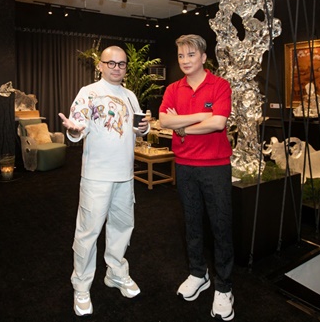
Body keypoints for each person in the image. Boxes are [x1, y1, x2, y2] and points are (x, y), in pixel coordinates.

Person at [58, 45, 149, 317]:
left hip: (125, 175)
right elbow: (77, 127)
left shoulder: (130, 96)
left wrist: (144, 128)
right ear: (100, 65)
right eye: (111, 63)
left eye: (121, 64)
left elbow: (137, 129)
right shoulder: (88, 93)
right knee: (88, 232)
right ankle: (81, 285)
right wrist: (75, 130)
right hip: (96, 176)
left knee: (122, 227)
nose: (117, 68)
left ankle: (116, 272)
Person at [159, 34, 235, 321]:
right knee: (191, 223)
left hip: (215, 166)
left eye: (191, 55)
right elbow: (164, 120)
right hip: (184, 165)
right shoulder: (173, 88)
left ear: (203, 57)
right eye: (181, 55)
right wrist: (200, 116)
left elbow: (218, 123)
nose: (185, 60)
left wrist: (181, 126)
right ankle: (198, 274)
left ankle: (224, 286)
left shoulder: (220, 85)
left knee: (220, 226)